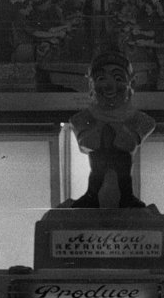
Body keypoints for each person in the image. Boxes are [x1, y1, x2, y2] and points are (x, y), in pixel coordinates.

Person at [65, 50, 155, 209]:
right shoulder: (81, 118)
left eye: (118, 78)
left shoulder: (141, 120)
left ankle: (127, 197)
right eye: (101, 79)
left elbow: (127, 143)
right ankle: (91, 196)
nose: (109, 85)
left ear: (131, 84)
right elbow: (88, 142)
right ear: (91, 85)